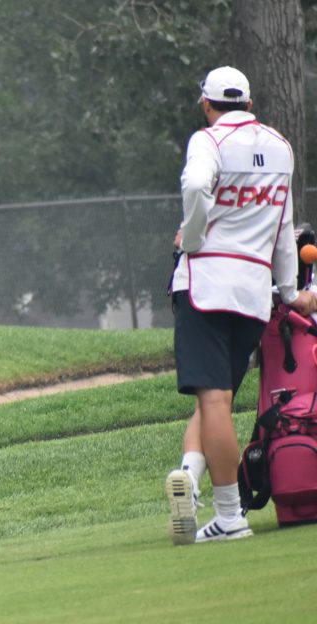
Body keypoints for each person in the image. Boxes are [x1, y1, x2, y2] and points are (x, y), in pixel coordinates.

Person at [166, 66, 317, 545]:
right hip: (254, 292)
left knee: (212, 399)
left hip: (206, 284)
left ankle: (230, 515)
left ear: (207, 106)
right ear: (249, 104)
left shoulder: (206, 141)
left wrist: (191, 238)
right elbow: (282, 226)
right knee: (218, 400)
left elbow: (194, 187)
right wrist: (289, 292)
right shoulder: (280, 146)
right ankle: (189, 479)